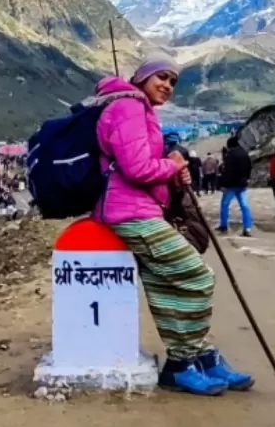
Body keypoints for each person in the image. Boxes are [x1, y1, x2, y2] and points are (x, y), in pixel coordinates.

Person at [92, 57, 253, 394]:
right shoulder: (130, 107)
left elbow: (141, 168)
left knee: (168, 288)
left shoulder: (135, 107)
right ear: (141, 78)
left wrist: (172, 175)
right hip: (130, 214)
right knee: (197, 276)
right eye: (160, 77)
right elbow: (136, 169)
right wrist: (170, 164)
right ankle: (182, 362)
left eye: (173, 81)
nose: (167, 85)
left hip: (137, 209)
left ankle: (203, 358)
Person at [217, 136, 254, 236]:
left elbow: (228, 171)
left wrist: (223, 184)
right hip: (242, 185)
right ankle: (247, 228)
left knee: (225, 204)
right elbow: (249, 166)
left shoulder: (230, 154)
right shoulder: (244, 153)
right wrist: (246, 179)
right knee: (245, 206)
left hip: (231, 186)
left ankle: (224, 226)